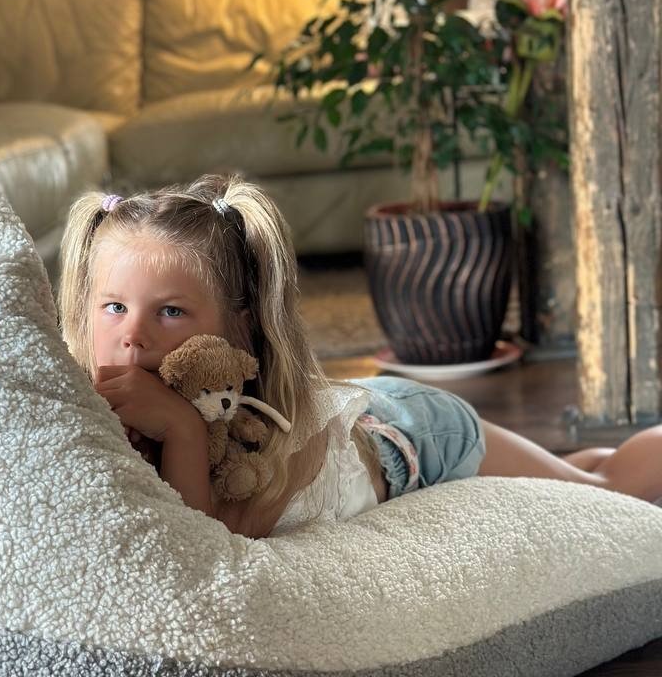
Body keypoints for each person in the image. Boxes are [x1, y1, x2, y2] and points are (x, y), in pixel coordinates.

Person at [57, 174, 662, 539]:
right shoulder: (89, 400)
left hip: (414, 431)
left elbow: (202, 544)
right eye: (114, 307)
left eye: (170, 311)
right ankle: (571, 458)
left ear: (240, 328)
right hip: (371, 406)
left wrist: (183, 428)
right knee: (566, 467)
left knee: (606, 487)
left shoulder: (272, 439)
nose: (133, 335)